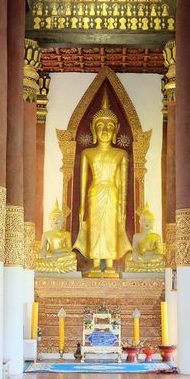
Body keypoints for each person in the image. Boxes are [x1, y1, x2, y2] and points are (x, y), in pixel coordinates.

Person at [73, 90, 132, 276]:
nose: (105, 130)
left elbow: (123, 185)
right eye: (100, 126)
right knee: (95, 228)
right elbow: (82, 183)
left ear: (115, 129)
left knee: (111, 227)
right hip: (95, 193)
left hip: (113, 194)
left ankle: (111, 264)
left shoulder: (121, 154)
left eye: (109, 126)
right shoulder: (87, 154)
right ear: (93, 129)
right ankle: (96, 264)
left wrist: (123, 209)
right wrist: (82, 208)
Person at [35, 199, 77, 273]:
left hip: (60, 255)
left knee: (72, 256)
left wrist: (57, 252)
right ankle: (58, 266)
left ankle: (53, 264)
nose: (56, 220)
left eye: (59, 219)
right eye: (53, 218)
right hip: (50, 254)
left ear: (62, 220)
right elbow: (43, 248)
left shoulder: (66, 234)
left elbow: (69, 250)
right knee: (37, 257)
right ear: (50, 220)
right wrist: (43, 253)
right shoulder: (46, 234)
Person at [125, 203, 165, 272]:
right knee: (129, 257)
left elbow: (159, 251)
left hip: (151, 257)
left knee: (162, 258)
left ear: (153, 222)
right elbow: (135, 249)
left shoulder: (156, 236)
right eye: (144, 221)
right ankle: (148, 266)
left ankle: (143, 265)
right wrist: (137, 255)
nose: (147, 223)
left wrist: (149, 253)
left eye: (149, 221)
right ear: (140, 222)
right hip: (141, 257)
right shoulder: (136, 236)